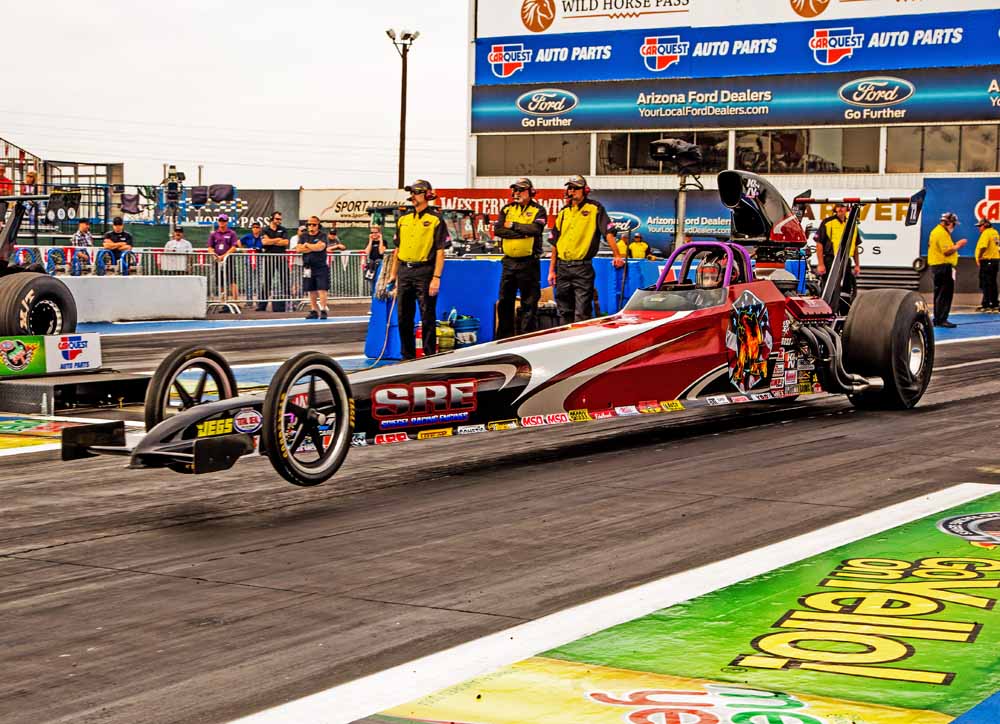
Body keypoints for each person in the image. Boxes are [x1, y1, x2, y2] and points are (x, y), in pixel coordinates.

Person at [548, 175, 624, 325]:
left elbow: (608, 232)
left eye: (576, 188)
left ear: (585, 190)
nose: (572, 191)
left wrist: (617, 255)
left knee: (582, 312)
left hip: (582, 268)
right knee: (564, 311)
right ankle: (563, 342)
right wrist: (552, 270)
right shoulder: (563, 212)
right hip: (562, 267)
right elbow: (555, 242)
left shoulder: (595, 208)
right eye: (570, 188)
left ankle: (580, 345)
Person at [387, 179, 447, 359]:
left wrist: (436, 277)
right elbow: (397, 249)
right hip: (405, 271)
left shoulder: (436, 219)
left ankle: (429, 356)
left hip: (425, 272)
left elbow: (440, 251)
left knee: (427, 316)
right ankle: (407, 356)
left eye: (416, 192)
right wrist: (393, 275)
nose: (412, 196)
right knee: (403, 317)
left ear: (427, 195)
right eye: (411, 192)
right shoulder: (403, 219)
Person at [493, 177, 547, 338]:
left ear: (530, 192)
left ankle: (526, 339)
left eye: (520, 190)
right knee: (504, 302)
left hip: (529, 263)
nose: (517, 193)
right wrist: (522, 234)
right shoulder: (507, 209)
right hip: (509, 263)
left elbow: (536, 229)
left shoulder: (539, 210)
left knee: (529, 304)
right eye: (515, 190)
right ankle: (503, 339)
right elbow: (498, 230)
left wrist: (514, 226)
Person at [928, 212, 968, 328]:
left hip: (939, 267)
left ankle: (938, 318)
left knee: (940, 293)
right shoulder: (941, 233)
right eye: (953, 224)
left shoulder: (937, 232)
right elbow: (946, 251)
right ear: (948, 223)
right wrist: (958, 245)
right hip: (943, 267)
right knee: (945, 294)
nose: (953, 227)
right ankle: (941, 319)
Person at [815, 202, 861, 298]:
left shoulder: (851, 224)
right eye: (838, 206)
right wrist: (820, 264)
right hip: (830, 260)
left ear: (847, 209)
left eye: (843, 206)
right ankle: (829, 309)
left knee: (846, 288)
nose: (840, 208)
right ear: (835, 209)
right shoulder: (827, 222)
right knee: (830, 288)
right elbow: (819, 244)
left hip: (846, 261)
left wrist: (857, 265)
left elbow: (855, 246)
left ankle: (844, 310)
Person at [298, 216, 330, 319]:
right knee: (310, 289)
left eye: (314, 224)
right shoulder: (303, 236)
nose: (311, 226)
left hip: (320, 266)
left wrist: (307, 245)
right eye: (309, 224)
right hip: (308, 266)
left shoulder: (322, 235)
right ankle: (314, 310)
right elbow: (299, 249)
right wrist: (312, 247)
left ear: (318, 225)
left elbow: (321, 247)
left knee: (322, 288)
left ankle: (323, 309)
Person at [258, 210, 289, 312]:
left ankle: (288, 304)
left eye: (280, 219)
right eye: (277, 219)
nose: (279, 221)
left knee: (285, 280)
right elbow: (264, 242)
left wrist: (271, 240)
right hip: (269, 258)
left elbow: (285, 242)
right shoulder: (265, 230)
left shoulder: (283, 229)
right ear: (272, 219)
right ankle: (262, 305)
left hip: (281, 258)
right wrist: (277, 239)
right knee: (267, 281)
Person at [208, 213, 240, 301]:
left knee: (232, 279)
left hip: (229, 259)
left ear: (227, 222)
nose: (222, 222)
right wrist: (214, 255)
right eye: (220, 220)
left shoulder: (232, 233)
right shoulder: (213, 234)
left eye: (224, 221)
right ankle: (223, 301)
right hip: (217, 261)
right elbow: (210, 247)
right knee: (220, 281)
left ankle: (235, 301)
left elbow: (234, 247)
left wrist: (224, 256)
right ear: (218, 221)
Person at [975, 218, 999, 313]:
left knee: (986, 283)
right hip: (995, 260)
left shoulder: (986, 233)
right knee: (992, 283)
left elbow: (983, 246)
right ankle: (994, 304)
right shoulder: (995, 232)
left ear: (984, 225)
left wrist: (980, 257)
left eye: (980, 226)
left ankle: (986, 304)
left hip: (987, 261)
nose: (979, 228)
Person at [363, 227, 387, 296]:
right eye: (372, 232)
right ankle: (373, 295)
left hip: (379, 264)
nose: (374, 234)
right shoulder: (369, 242)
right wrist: (370, 241)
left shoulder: (384, 242)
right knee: (371, 282)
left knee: (379, 280)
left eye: (375, 232)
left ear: (379, 233)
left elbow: (381, 251)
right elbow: (367, 252)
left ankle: (378, 296)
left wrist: (381, 240)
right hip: (371, 265)